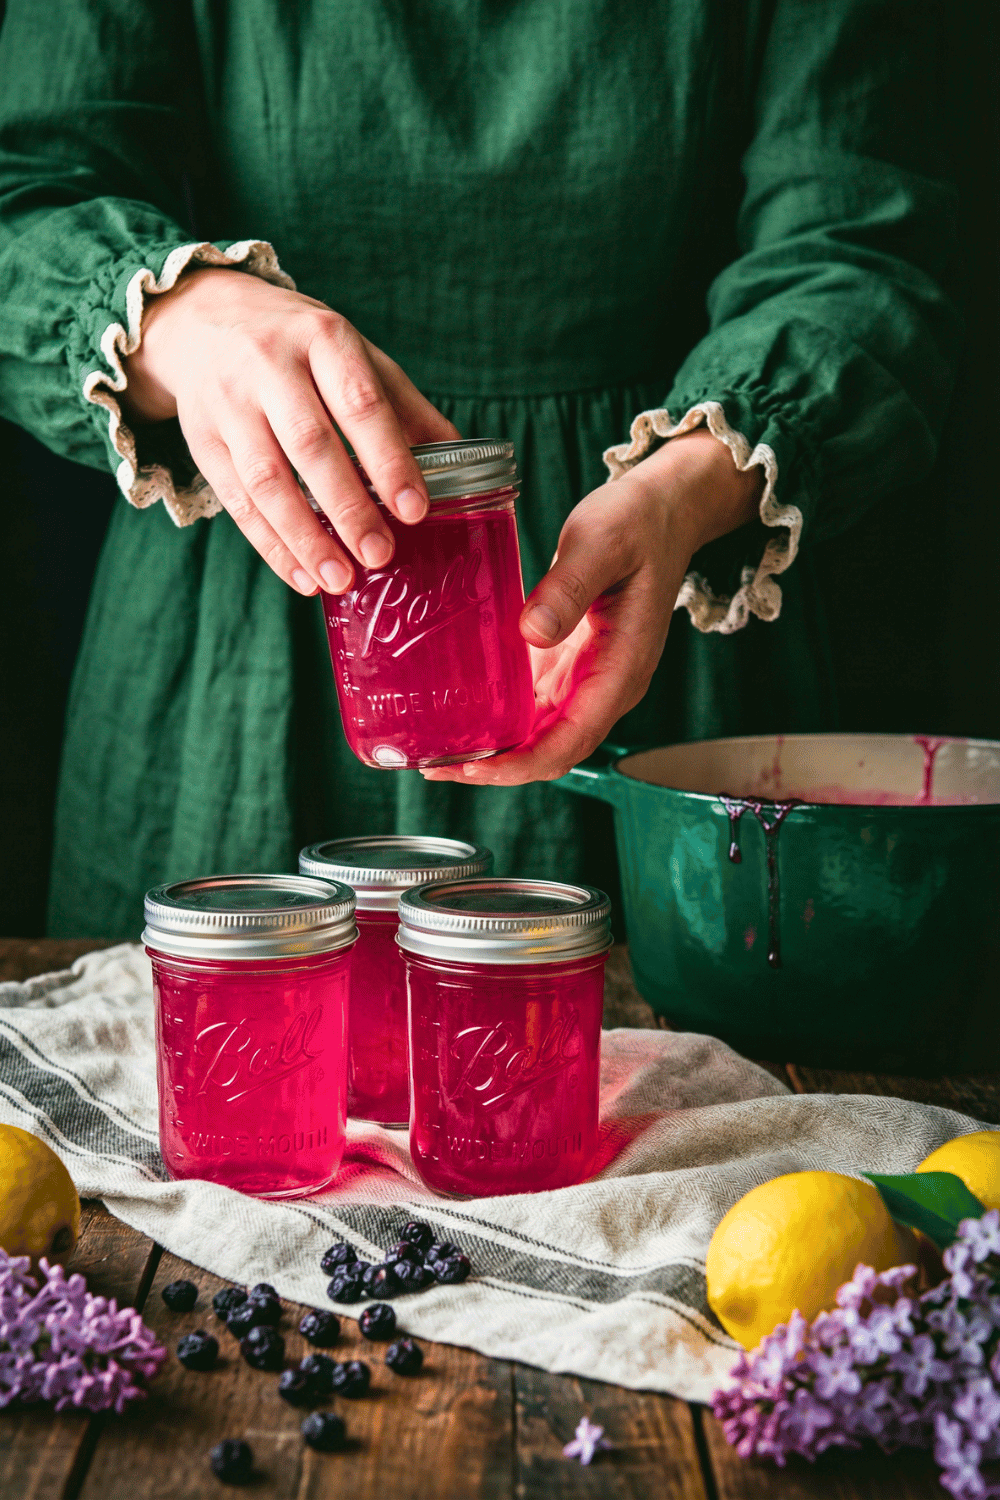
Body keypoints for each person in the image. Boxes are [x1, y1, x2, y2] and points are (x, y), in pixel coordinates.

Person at [0, 0, 958, 938]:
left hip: (657, 588)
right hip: (235, 640)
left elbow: (863, 240)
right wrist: (182, 319)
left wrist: (689, 485)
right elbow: (24, 187)